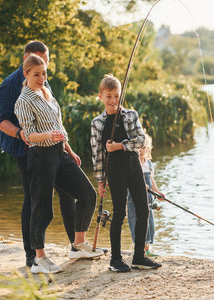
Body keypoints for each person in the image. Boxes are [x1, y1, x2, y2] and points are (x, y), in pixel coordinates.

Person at [15, 54, 103, 274]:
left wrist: (70, 151)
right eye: (36, 74)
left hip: (60, 153)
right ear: (26, 74)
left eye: (44, 73)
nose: (42, 78)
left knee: (87, 194)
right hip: (40, 157)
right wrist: (46, 135)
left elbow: (59, 126)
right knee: (43, 209)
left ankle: (78, 245)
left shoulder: (46, 92)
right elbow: (28, 134)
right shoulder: (23, 101)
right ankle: (39, 259)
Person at [0, 41, 78, 267]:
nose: (42, 70)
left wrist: (68, 147)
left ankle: (76, 245)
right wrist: (22, 134)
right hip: (24, 149)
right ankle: (32, 255)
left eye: (45, 62)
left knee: (67, 192)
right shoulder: (9, 85)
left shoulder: (43, 78)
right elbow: (2, 122)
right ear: (25, 61)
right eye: (35, 60)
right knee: (32, 199)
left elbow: (54, 118)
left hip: (53, 148)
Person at [91, 74, 162, 272]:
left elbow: (140, 141)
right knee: (120, 212)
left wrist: (120, 146)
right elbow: (97, 155)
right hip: (114, 171)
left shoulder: (131, 115)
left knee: (143, 209)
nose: (113, 101)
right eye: (109, 96)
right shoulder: (97, 123)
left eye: (117, 96)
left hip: (133, 166)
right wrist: (100, 180)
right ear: (101, 96)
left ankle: (139, 256)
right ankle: (115, 259)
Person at [127, 133, 163, 257]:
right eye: (138, 147)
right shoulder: (133, 163)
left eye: (143, 147)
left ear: (147, 149)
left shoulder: (148, 164)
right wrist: (140, 185)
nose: (140, 150)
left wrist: (158, 193)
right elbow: (130, 181)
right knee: (137, 222)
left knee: (150, 224)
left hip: (148, 200)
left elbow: (151, 181)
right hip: (134, 200)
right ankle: (139, 249)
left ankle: (147, 249)